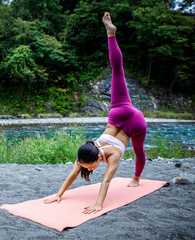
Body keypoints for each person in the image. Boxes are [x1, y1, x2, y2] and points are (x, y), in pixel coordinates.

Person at [43, 12, 147, 214]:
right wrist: (59, 194)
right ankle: (111, 35)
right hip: (119, 113)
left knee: (140, 151)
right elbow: (73, 174)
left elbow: (107, 180)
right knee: (118, 71)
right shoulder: (86, 153)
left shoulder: (114, 155)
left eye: (90, 167)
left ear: (100, 157)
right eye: (87, 168)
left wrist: (99, 204)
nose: (88, 170)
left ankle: (136, 178)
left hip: (134, 122)